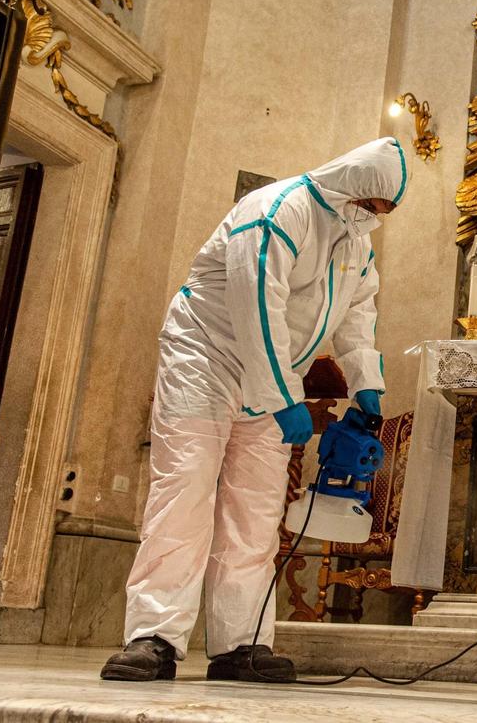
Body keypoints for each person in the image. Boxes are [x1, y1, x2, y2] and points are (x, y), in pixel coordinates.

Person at [100, 137, 407, 683]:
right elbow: (254, 307)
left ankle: (241, 643)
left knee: (258, 509)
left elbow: (360, 314)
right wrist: (284, 399)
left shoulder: (354, 241)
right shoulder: (276, 211)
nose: (376, 220)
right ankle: (153, 636)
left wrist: (367, 387)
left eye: (385, 214)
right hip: (206, 357)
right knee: (186, 490)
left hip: (273, 375)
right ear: (352, 188)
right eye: (374, 208)